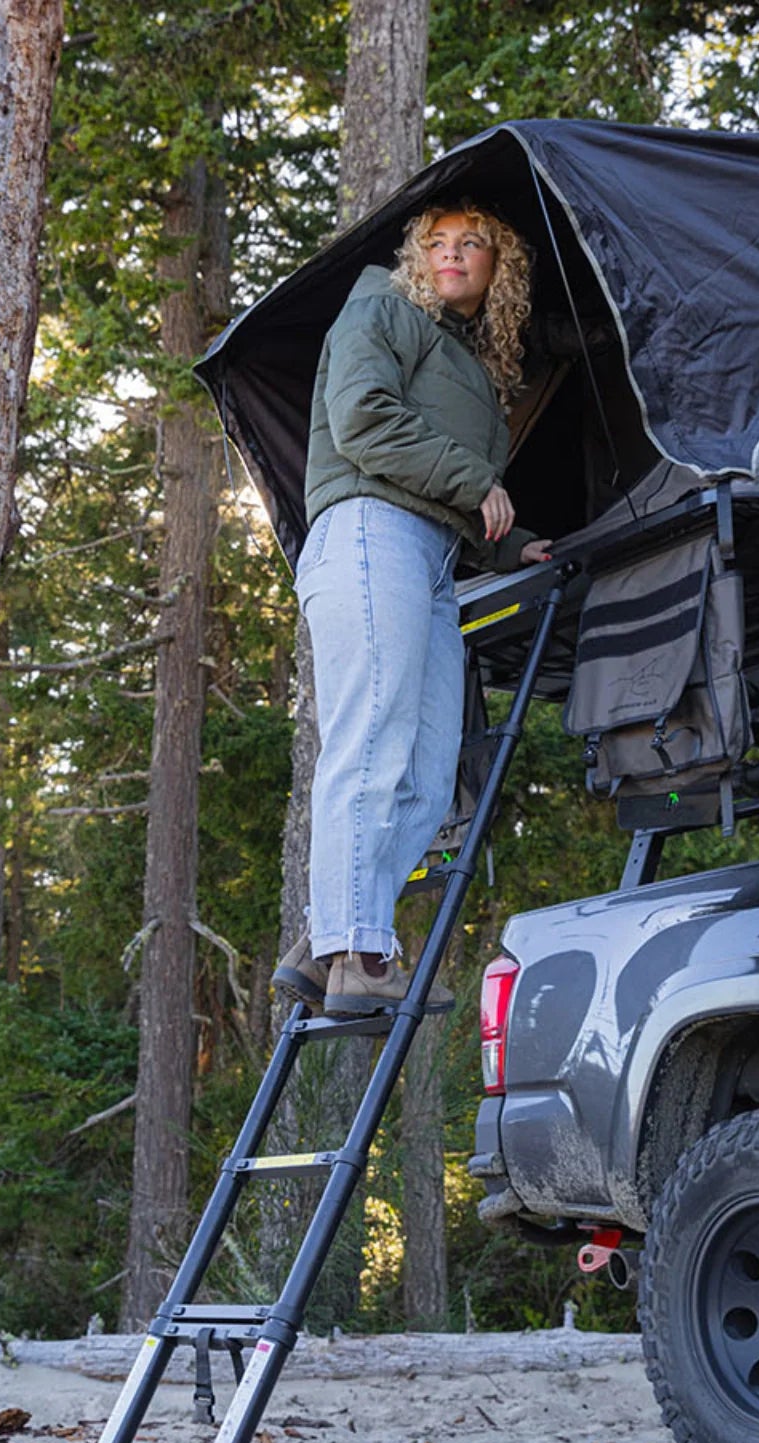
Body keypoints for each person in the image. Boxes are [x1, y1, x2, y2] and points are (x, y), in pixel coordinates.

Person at [273, 201, 552, 1016]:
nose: (454, 255)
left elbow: (458, 498)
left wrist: (511, 543)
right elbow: (363, 423)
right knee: (372, 745)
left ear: (500, 269)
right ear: (415, 258)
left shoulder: (471, 361)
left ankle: (330, 936)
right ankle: (358, 954)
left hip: (427, 557)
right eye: (438, 243)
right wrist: (479, 486)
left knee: (430, 777)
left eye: (475, 243)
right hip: (368, 534)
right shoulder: (383, 308)